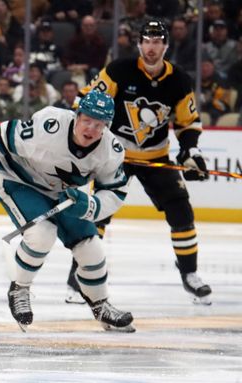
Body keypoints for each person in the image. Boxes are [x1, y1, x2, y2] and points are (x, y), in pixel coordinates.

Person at [0, 90, 136, 333]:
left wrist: (89, 206)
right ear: (77, 115)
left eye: (99, 124)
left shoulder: (111, 150)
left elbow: (115, 193)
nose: (91, 129)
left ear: (107, 126)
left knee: (91, 247)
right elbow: (1, 136)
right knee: (42, 234)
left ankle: (100, 305)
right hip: (20, 182)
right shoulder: (50, 125)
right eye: (87, 120)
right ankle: (20, 288)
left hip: (63, 195)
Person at [65, 19, 213, 305]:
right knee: (97, 215)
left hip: (155, 156)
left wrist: (191, 152)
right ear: (139, 44)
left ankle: (190, 274)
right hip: (116, 155)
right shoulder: (120, 70)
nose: (151, 47)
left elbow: (188, 123)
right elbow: (86, 100)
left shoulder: (179, 80)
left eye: (157, 41)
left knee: (181, 211)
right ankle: (79, 277)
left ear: (166, 46)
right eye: (147, 41)